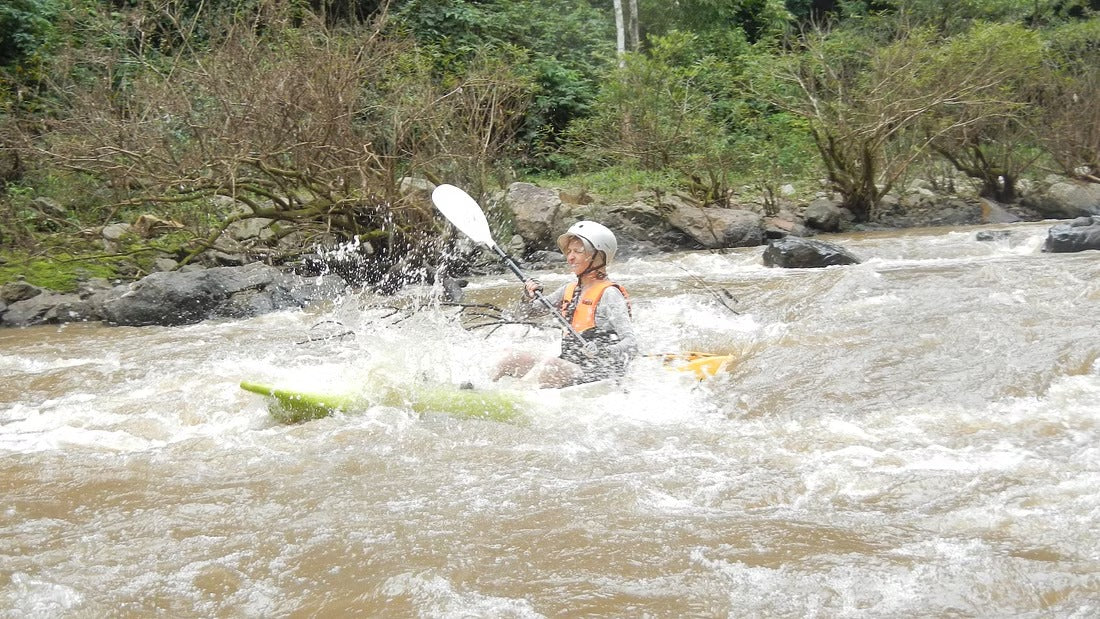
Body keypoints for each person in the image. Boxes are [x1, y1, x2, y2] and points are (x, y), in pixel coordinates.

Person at [492, 221, 637, 388]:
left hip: (598, 372)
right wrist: (527, 297)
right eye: (569, 251)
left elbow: (631, 344)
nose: (570, 257)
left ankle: (523, 398)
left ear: (598, 256)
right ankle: (478, 392)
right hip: (569, 366)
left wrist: (603, 350)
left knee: (550, 364)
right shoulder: (568, 290)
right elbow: (522, 316)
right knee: (510, 356)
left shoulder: (610, 294)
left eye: (578, 251)